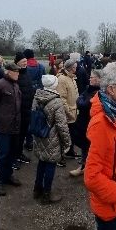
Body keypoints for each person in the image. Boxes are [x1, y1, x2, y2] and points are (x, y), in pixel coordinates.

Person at [83, 62, 116, 230]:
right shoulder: (101, 123)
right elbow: (91, 177)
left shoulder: (115, 114)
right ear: (111, 89)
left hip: (113, 203)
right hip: (108, 205)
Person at [30, 74, 72, 204]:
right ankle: (46, 195)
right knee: (50, 165)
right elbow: (61, 125)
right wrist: (67, 142)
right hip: (52, 137)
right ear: (55, 85)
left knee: (42, 161)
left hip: (39, 135)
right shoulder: (57, 101)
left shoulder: (37, 97)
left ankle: (37, 189)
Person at [0, 62, 24, 192]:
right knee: (3, 154)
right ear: (8, 71)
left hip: (16, 126)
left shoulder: (15, 84)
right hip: (4, 127)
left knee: (12, 153)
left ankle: (8, 175)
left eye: (19, 72)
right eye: (16, 72)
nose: (18, 74)